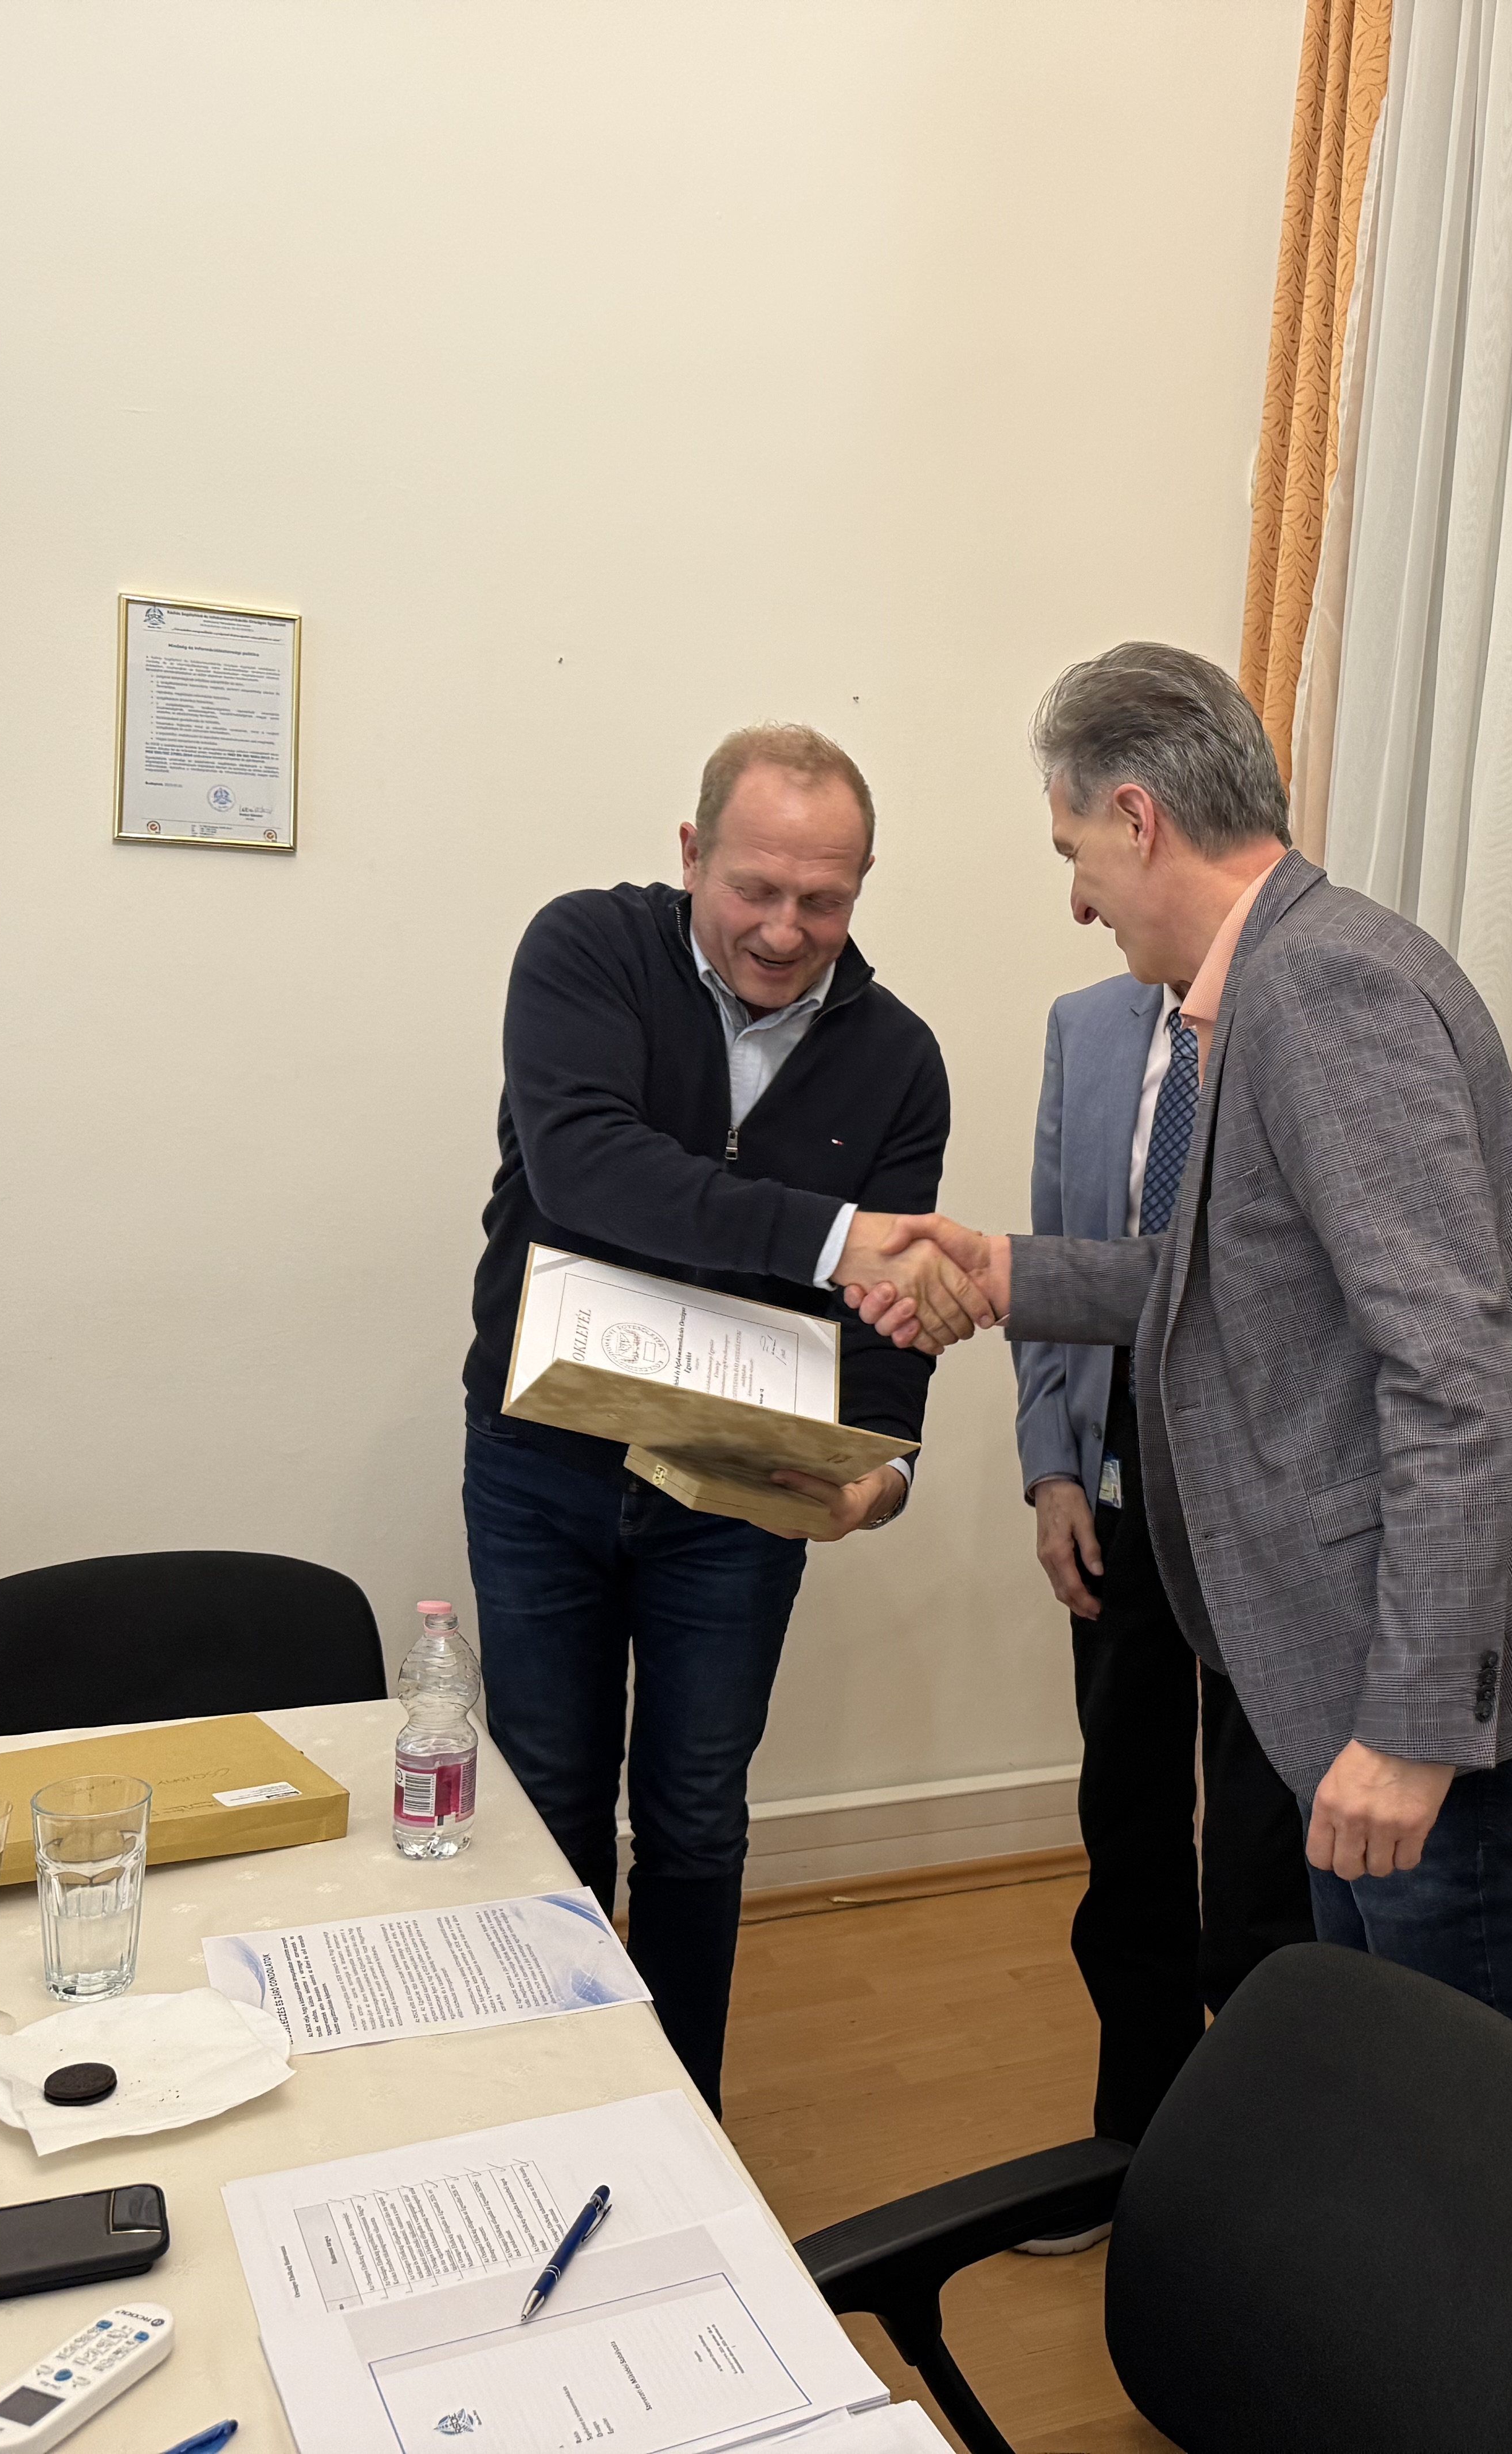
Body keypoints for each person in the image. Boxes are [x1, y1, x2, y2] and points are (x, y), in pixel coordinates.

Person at [854, 643, 1512, 2448]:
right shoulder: (1279, 978)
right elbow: (1235, 1280)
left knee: (1505, 2202)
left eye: (1073, 850)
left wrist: (1410, 1725)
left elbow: (1454, 1370)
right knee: (1435, 2168)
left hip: (1454, 1721)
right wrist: (1008, 1272)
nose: (1076, 898)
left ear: (1139, 816)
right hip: (1388, 1697)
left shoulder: (1324, 993)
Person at [460, 722, 982, 2116]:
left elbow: (893, 1313)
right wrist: (838, 1239)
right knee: (550, 1799)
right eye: (755, 887)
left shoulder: (900, 1059)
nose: (783, 930)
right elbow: (589, 1173)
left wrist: (881, 1472)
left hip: (740, 1489)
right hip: (541, 1466)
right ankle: (551, 2098)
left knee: (696, 1814)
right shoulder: (585, 951)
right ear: (692, 853)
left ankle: (677, 2114)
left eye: (824, 900)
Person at [1014, 969, 1314, 2165]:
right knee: (1127, 1814)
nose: (1080, 906)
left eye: (1088, 875)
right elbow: (1051, 1266)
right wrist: (1052, 1468)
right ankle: (1135, 2133)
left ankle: (1247, 2161)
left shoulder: (1304, 1013)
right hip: (1118, 1468)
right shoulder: (1085, 1025)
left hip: (1268, 1477)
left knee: (1260, 1845)